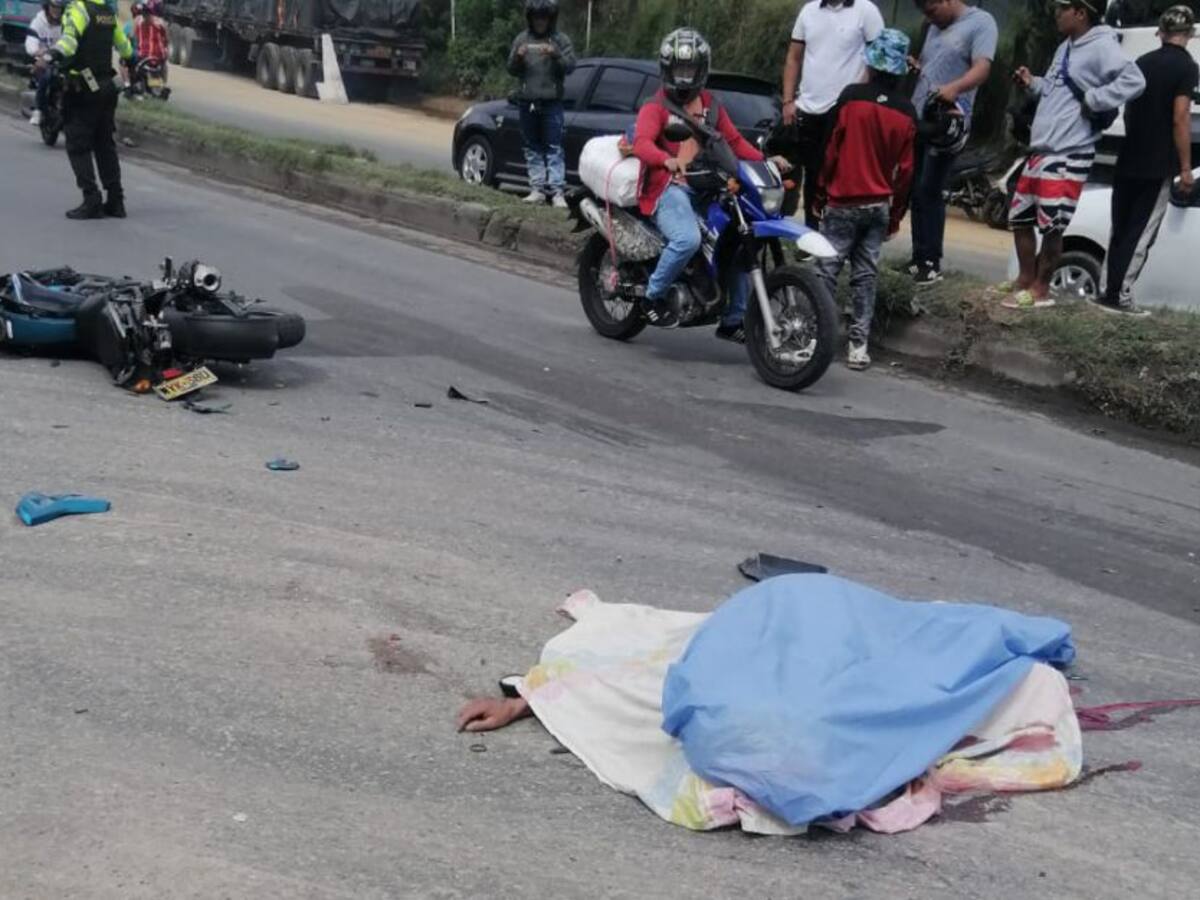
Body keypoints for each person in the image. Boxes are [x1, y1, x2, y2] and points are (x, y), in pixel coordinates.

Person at [633, 28, 788, 338]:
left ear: (701, 69)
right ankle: (650, 295)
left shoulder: (711, 105)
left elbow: (735, 143)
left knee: (737, 242)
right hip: (669, 188)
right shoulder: (657, 106)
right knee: (687, 240)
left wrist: (766, 161)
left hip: (706, 187)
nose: (684, 77)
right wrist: (665, 160)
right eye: (679, 69)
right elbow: (642, 143)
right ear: (667, 69)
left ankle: (734, 318)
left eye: (690, 69)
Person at [1004, 0, 1146, 309]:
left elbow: (1135, 80)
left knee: (1053, 225)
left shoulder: (1101, 46)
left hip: (1069, 151)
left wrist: (1096, 98)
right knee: (1019, 217)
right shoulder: (1065, 47)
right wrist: (1033, 84)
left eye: (1061, 9)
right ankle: (1025, 280)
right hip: (1041, 148)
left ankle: (1041, 290)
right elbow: (1057, 90)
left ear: (1080, 12)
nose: (1056, 14)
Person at [814, 29, 917, 372]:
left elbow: (831, 150)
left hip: (842, 200)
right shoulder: (906, 112)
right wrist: (895, 215)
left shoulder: (851, 98)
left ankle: (819, 337)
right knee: (865, 275)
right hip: (878, 206)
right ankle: (858, 346)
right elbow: (905, 173)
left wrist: (819, 192)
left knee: (827, 269)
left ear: (872, 64)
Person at [1098, 5, 1198, 316]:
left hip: (1128, 155)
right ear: (1190, 34)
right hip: (1158, 164)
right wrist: (1184, 168)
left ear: (1162, 32)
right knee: (1141, 231)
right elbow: (1180, 117)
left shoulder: (1142, 61)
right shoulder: (1187, 68)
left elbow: (1128, 108)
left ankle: (1106, 290)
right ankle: (1120, 296)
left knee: (1121, 226)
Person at [908, 0, 998, 285]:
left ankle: (931, 262)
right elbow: (933, 65)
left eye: (932, 11)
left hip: (950, 122)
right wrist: (916, 67)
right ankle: (918, 257)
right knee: (915, 189)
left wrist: (955, 88)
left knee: (930, 189)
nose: (929, 18)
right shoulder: (934, 27)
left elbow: (982, 69)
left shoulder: (981, 23)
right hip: (922, 115)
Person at [780, 0, 885, 228]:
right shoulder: (809, 11)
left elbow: (877, 59)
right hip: (808, 107)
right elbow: (794, 57)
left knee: (841, 175)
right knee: (810, 174)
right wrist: (788, 100)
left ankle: (837, 236)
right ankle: (809, 232)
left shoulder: (866, 11)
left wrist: (861, 96)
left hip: (847, 110)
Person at [47, 0, 134, 220]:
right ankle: (116, 201)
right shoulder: (108, 12)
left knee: (78, 145)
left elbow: (69, 42)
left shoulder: (78, 9)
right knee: (105, 145)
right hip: (106, 87)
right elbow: (125, 47)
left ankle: (91, 199)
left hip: (83, 90)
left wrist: (52, 54)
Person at [507, 0, 576, 209]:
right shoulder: (522, 39)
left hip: (552, 103)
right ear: (530, 18)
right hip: (527, 102)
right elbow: (510, 68)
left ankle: (556, 192)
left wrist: (556, 55)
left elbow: (571, 66)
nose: (540, 21)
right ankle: (536, 189)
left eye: (544, 17)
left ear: (551, 18)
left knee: (554, 146)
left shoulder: (560, 40)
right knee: (531, 146)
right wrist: (518, 58)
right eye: (536, 17)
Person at [25, 1, 65, 127]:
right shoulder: (38, 22)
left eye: (59, 8)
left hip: (61, 60)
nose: (56, 10)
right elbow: (30, 44)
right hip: (42, 60)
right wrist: (39, 51)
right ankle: (38, 110)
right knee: (46, 76)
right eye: (53, 6)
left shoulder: (66, 23)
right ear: (47, 6)